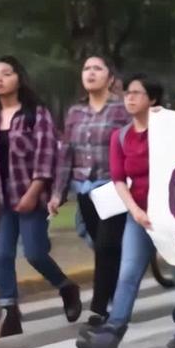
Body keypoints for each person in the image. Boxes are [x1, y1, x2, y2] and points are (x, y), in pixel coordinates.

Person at [75, 75, 175, 348]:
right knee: (128, 272)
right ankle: (112, 333)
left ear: (152, 99)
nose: (130, 98)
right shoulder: (120, 136)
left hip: (172, 214)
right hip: (139, 214)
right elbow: (119, 179)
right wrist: (135, 210)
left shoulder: (168, 131)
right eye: (127, 93)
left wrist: (167, 117)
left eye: (137, 93)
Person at [0, 56, 82, 337]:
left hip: (29, 196)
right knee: (2, 256)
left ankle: (66, 287)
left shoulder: (36, 113)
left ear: (19, 78)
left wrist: (35, 190)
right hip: (1, 199)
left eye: (6, 73)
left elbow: (46, 154)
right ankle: (11, 313)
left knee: (36, 253)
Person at [49, 56, 132, 329]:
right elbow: (66, 154)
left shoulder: (122, 109)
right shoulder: (75, 112)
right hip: (84, 189)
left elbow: (132, 145)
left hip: (114, 187)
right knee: (103, 247)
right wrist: (57, 194)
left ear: (110, 78)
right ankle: (117, 294)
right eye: (86, 68)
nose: (91, 73)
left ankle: (98, 309)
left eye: (98, 68)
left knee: (107, 246)